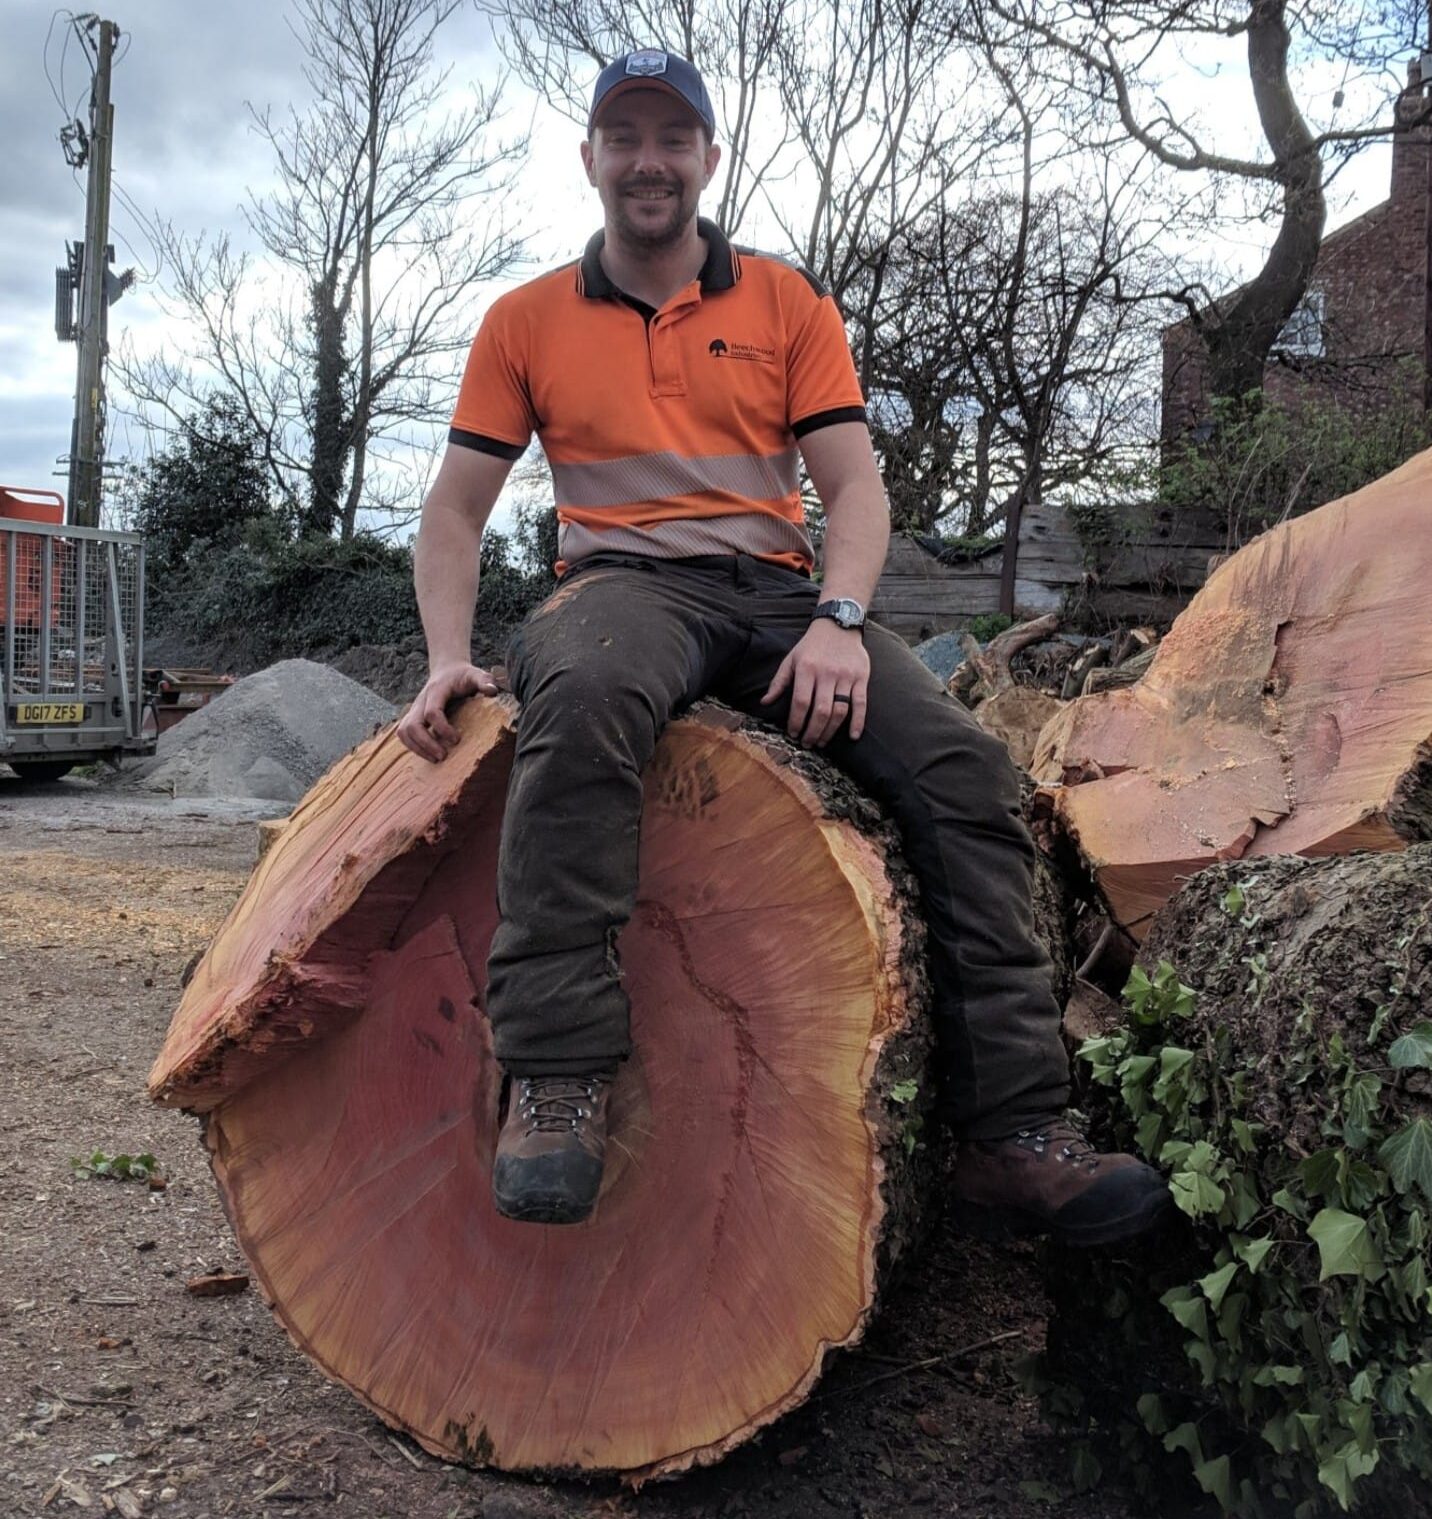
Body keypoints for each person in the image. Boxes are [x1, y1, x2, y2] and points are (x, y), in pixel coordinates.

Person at [397, 49, 1170, 1248]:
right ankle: (555, 1079)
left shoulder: (787, 304)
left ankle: (1014, 1134)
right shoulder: (525, 320)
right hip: (618, 586)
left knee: (965, 770)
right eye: (625, 137)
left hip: (770, 590)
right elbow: (453, 510)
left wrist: (843, 619)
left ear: (709, 159)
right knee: (588, 693)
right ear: (591, 158)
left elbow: (854, 489)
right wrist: (449, 651)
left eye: (673, 138)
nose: (648, 160)